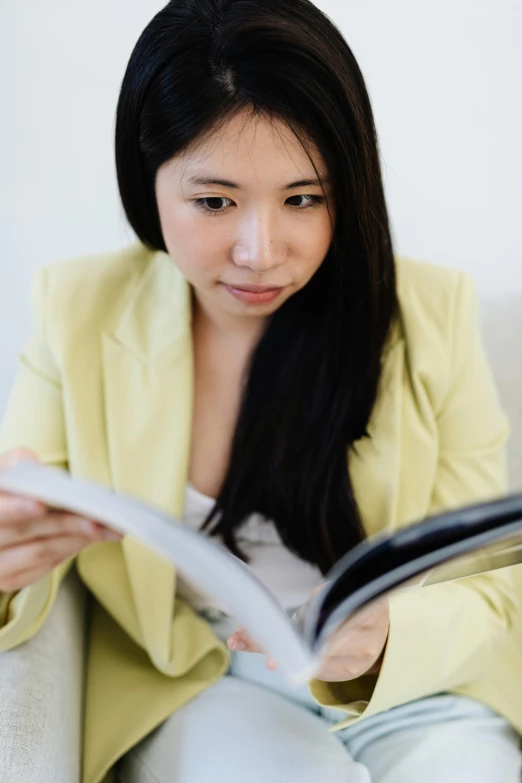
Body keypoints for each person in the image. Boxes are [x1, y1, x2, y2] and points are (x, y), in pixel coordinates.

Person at [1, 1, 521, 781]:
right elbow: (31, 568)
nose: (261, 250)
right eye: (215, 202)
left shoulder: (430, 316)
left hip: (408, 687)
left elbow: (487, 588)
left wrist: (387, 639)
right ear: (148, 185)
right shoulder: (77, 313)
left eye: (303, 198)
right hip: (205, 678)